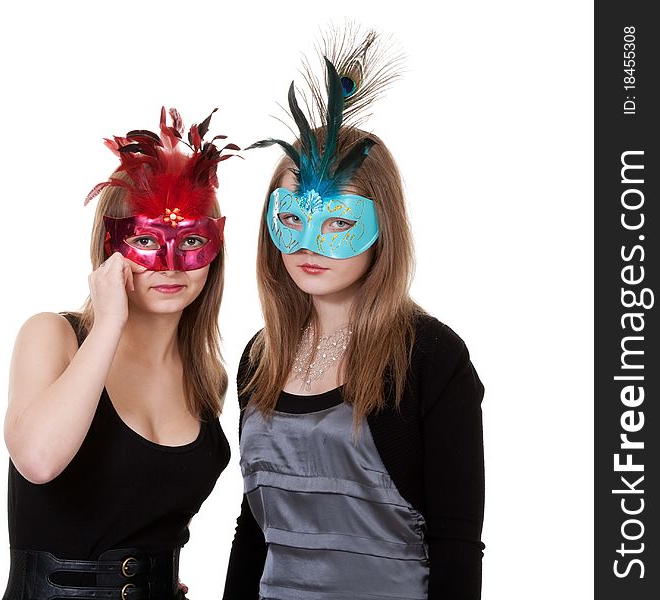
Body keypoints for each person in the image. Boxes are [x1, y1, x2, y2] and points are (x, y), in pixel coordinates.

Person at [223, 31, 485, 600]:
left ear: (379, 228)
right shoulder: (259, 358)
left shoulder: (432, 357)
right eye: (292, 219)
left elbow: (456, 542)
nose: (309, 244)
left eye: (340, 222)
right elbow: (254, 533)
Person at [3, 107, 237, 600]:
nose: (171, 265)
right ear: (111, 245)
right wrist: (110, 321)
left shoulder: (204, 376)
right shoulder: (54, 337)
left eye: (191, 240)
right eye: (147, 241)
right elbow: (38, 459)